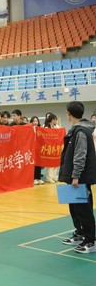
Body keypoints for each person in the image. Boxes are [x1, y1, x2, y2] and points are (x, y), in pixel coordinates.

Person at [59, 101, 96, 254]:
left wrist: (76, 176)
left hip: (79, 178)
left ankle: (91, 241)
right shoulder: (74, 130)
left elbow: (80, 155)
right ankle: (80, 233)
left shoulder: (81, 132)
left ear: (68, 114)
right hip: (72, 177)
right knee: (74, 208)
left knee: (83, 210)